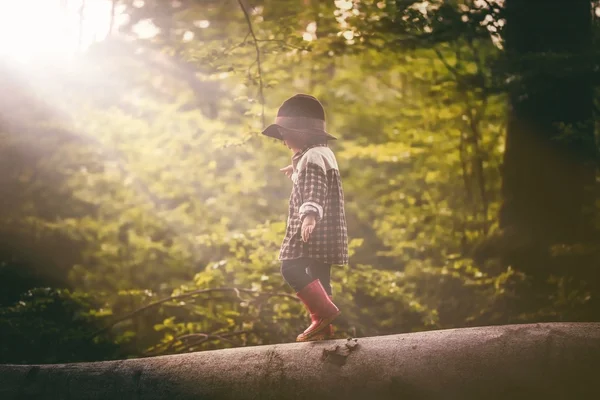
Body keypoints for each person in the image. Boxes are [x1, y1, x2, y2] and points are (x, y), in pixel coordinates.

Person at [261, 94, 349, 342]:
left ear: (301, 134)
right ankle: (324, 329)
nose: (283, 141)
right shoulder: (322, 154)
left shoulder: (311, 159)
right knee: (320, 276)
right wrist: (297, 169)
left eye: (285, 134)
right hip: (329, 231)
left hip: (313, 230)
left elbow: (315, 189)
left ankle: (322, 315)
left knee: (290, 267)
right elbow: (317, 177)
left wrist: (309, 217)